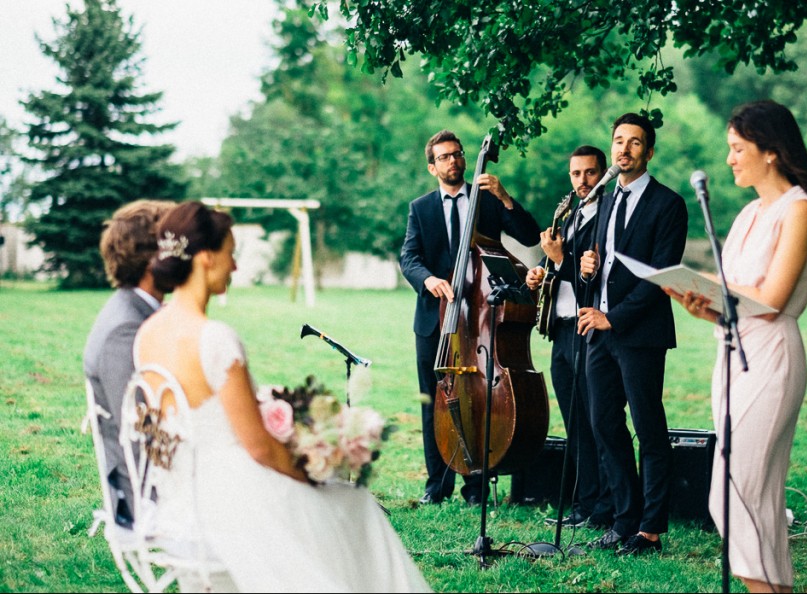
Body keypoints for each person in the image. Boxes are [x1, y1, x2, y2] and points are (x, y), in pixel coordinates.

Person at [134, 201, 431, 592]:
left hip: (176, 496)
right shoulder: (215, 339)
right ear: (206, 258)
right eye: (230, 254)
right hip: (228, 503)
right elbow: (260, 448)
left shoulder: (147, 333)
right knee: (356, 505)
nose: (236, 267)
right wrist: (309, 477)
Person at [666, 99, 807, 592]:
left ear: (771, 151)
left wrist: (722, 295)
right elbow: (735, 289)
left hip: (770, 357)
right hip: (732, 352)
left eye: (738, 149)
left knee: (735, 496)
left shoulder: (799, 209)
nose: (730, 159)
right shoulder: (746, 214)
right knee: (752, 498)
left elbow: (774, 299)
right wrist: (703, 301)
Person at [400, 129, 541, 506]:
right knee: (435, 399)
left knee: (480, 396)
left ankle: (477, 482)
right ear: (432, 167)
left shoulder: (487, 201)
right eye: (444, 157)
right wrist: (428, 279)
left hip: (481, 317)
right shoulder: (421, 208)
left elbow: (529, 237)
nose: (454, 161)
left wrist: (504, 196)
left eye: (457, 154)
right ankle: (438, 482)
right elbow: (409, 258)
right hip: (437, 320)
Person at [577, 113, 688, 555]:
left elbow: (660, 278)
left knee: (648, 427)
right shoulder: (604, 200)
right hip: (600, 332)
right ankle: (625, 520)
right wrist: (587, 267)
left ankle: (651, 529)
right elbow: (603, 265)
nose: (624, 149)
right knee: (604, 424)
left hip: (639, 333)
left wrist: (614, 318)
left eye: (635, 142)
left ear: (649, 151)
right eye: (619, 141)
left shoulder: (669, 204)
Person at [524, 145, 613, 530]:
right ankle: (584, 501)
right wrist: (541, 273)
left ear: (603, 174)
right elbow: (560, 268)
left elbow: (595, 277)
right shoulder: (572, 216)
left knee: (599, 421)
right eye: (576, 174)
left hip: (588, 329)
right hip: (560, 331)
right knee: (575, 423)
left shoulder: (608, 216)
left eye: (590, 173)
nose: (582, 181)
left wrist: (560, 261)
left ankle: (607, 504)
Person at [83, 199, 174, 528]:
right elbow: (135, 432)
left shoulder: (143, 310)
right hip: (143, 496)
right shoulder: (125, 327)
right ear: (153, 259)